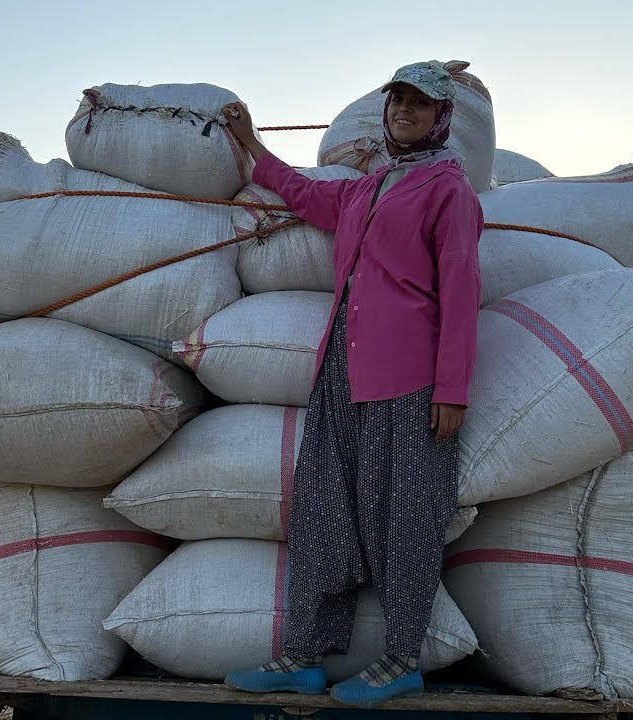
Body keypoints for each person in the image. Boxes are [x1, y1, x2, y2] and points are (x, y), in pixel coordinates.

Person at [219, 61, 484, 708]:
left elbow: (461, 287)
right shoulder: (365, 189)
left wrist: (452, 388)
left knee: (406, 514)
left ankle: (401, 660)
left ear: (441, 118)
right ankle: (305, 656)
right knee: (322, 506)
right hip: (341, 366)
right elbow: (305, 195)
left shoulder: (449, 190)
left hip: (410, 376)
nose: (405, 111)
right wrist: (253, 146)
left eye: (420, 104)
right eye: (398, 100)